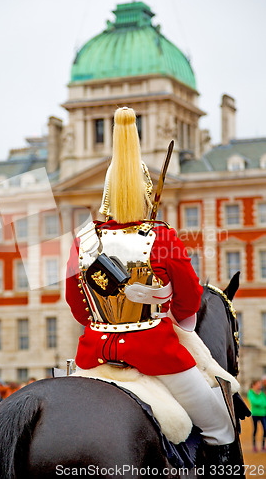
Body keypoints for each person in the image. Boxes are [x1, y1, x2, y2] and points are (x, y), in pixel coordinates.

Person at [66, 107, 242, 471]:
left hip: (93, 355)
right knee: (221, 426)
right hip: (155, 354)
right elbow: (191, 300)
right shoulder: (160, 237)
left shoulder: (83, 241)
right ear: (147, 193)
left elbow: (78, 306)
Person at [247, 379, 266, 452]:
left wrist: (261, 403)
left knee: (265, 429)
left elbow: (265, 403)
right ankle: (254, 446)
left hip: (263, 414)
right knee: (255, 430)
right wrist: (261, 403)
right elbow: (254, 402)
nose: (260, 385)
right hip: (255, 414)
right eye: (258, 384)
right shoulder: (251, 393)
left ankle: (263, 446)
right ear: (254, 385)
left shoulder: (261, 393)